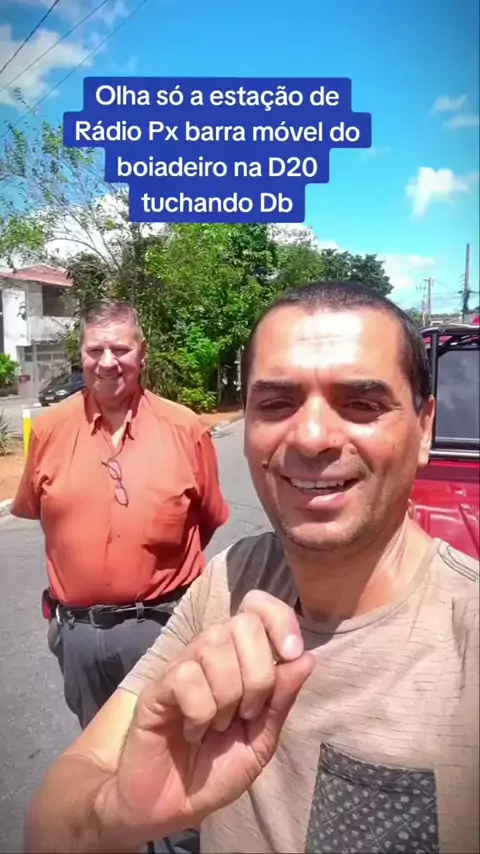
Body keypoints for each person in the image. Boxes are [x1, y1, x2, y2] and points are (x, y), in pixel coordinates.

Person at [25, 282, 479, 854]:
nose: (311, 438)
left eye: (362, 404)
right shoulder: (232, 581)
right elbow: (53, 818)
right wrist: (114, 814)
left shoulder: (467, 639)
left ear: (425, 428)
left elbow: (205, 514)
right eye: (276, 403)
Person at [11, 298, 229, 732]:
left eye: (120, 350)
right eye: (95, 350)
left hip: (163, 628)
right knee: (96, 754)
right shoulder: (49, 430)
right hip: (78, 637)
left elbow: (204, 521)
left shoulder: (185, 429)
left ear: (142, 353)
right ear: (81, 354)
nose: (107, 362)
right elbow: (45, 516)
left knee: (170, 750)